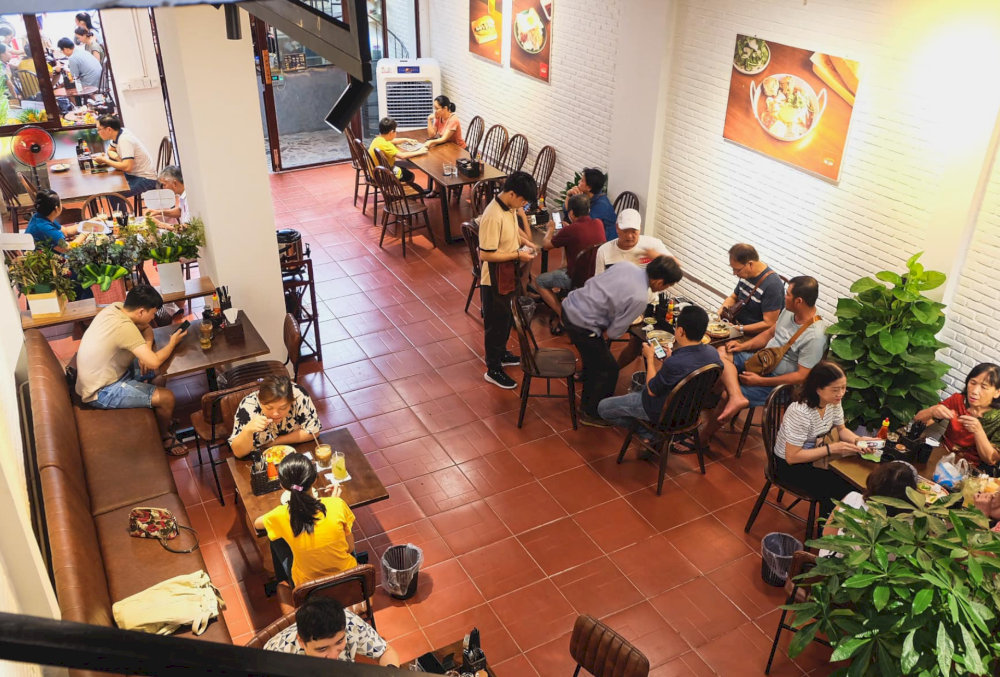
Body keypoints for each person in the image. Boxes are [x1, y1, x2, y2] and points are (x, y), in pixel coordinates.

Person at [562, 255, 684, 426]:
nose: (666, 288)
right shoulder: (640, 298)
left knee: (596, 359)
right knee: (609, 369)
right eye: (668, 285)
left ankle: (588, 389)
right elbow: (613, 333)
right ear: (659, 281)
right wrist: (626, 319)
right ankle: (591, 413)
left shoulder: (627, 266)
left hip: (570, 304)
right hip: (581, 323)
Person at [703, 276, 826, 440]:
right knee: (720, 353)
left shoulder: (816, 336)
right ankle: (731, 397)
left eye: (787, 294)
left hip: (778, 382)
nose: (784, 297)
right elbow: (769, 333)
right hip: (762, 361)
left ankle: (702, 438)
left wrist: (759, 381)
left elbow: (801, 376)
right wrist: (743, 346)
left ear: (799, 301)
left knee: (726, 395)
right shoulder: (789, 311)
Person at [75, 285, 188, 455]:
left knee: (159, 375)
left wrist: (146, 349)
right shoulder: (124, 328)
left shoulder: (116, 308)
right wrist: (172, 342)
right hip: (100, 391)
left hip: (107, 374)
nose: (153, 317)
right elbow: (155, 361)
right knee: (167, 397)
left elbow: (147, 329)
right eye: (153, 313)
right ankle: (164, 436)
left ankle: (160, 418)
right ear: (141, 312)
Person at [771, 361, 881, 515]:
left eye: (844, 387)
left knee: (856, 483)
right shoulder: (800, 412)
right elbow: (792, 457)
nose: (841, 394)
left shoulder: (833, 402)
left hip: (815, 457)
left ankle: (835, 528)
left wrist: (858, 441)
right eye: (835, 389)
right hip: (788, 466)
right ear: (818, 389)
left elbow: (841, 429)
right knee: (839, 489)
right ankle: (826, 533)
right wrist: (831, 449)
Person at [597, 305, 722, 431]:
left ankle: (648, 432)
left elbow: (652, 390)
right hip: (690, 413)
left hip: (662, 412)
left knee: (603, 408)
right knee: (639, 389)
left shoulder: (675, 363)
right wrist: (669, 360)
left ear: (680, 331)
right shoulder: (713, 354)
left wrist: (650, 358)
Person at [253, 452, 357, 588]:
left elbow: (257, 524)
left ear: (283, 486)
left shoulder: (280, 515)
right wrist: (334, 501)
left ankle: (280, 579)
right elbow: (350, 548)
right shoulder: (337, 505)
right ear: (314, 480)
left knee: (275, 539)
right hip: (349, 581)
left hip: (309, 588)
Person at [478, 171, 538, 390]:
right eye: (522, 200)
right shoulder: (492, 215)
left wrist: (526, 242)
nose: (522, 205)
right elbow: (486, 254)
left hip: (508, 273)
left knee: (505, 317)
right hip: (494, 278)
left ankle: (502, 353)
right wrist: (518, 255)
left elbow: (514, 231)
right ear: (512, 193)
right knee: (495, 323)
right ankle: (493, 369)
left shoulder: (510, 207)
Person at [534, 193, 606, 332]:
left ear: (572, 213)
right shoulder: (598, 223)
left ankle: (563, 316)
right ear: (588, 210)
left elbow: (546, 245)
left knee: (539, 281)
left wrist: (550, 229)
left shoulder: (570, 230)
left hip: (577, 279)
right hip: (596, 276)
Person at [263, 597, 400, 667]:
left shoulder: (349, 622)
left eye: (340, 641)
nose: (334, 656)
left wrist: (391, 673)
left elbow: (385, 652)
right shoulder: (277, 657)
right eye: (322, 649)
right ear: (301, 641)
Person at [913, 363, 1000, 468]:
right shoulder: (958, 400)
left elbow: (992, 459)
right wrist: (932, 411)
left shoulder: (997, 418)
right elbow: (918, 420)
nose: (975, 391)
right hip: (941, 456)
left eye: (983, 387)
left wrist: (978, 431)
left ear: (997, 392)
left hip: (971, 470)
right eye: (973, 383)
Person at [228, 375, 321, 459]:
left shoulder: (298, 395)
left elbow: (313, 431)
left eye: (283, 408)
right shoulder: (248, 406)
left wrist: (275, 442)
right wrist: (247, 430)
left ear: (291, 401)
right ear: (260, 401)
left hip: (296, 454)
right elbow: (238, 452)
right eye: (269, 408)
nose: (275, 413)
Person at [717, 243, 785, 335]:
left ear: (750, 264)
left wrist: (739, 328)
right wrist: (720, 311)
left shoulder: (773, 285)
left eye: (737, 270)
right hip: (735, 324)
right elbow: (733, 297)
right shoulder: (746, 275)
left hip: (752, 336)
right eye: (733, 269)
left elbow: (769, 323)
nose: (734, 273)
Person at [92, 116, 159, 197]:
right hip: (134, 174)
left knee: (113, 194)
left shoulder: (125, 140)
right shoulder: (118, 133)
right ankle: (120, 210)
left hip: (145, 178)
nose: (98, 132)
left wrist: (105, 160)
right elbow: (110, 151)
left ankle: (122, 210)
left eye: (99, 129)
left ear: (109, 129)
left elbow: (127, 167)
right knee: (109, 184)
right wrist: (118, 158)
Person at [593, 209, 670, 274]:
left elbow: (675, 267)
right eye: (625, 231)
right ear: (617, 228)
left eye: (634, 231)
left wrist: (659, 258)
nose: (629, 236)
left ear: (640, 228)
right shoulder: (604, 251)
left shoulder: (653, 245)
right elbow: (598, 283)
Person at [564, 168, 617, 241]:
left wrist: (577, 200)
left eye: (582, 180)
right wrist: (569, 195)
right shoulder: (588, 196)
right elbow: (567, 211)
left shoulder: (601, 206)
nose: (579, 181)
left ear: (589, 188)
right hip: (590, 236)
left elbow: (582, 225)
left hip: (603, 243)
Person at [368, 117, 424, 184]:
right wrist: (420, 151)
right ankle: (401, 192)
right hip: (383, 175)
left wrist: (406, 139)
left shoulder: (377, 139)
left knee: (404, 170)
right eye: (396, 131)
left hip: (375, 172)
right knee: (410, 176)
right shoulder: (386, 145)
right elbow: (402, 156)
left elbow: (393, 141)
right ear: (391, 132)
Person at [25, 189, 80, 253]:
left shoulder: (41, 216)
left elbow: (66, 232)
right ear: (56, 208)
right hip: (46, 260)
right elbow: (69, 248)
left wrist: (87, 224)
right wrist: (85, 234)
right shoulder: (45, 228)